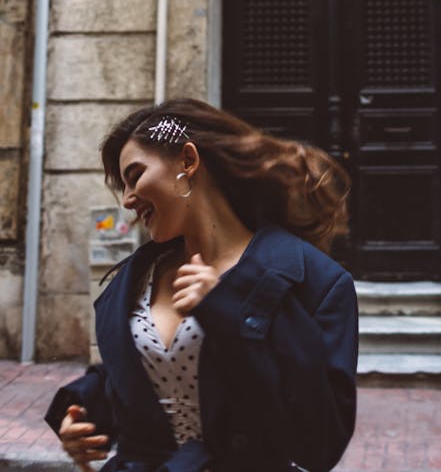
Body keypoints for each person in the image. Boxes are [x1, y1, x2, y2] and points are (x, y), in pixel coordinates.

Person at [45, 99, 358, 472]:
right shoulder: (135, 278)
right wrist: (83, 413)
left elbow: (319, 444)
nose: (128, 200)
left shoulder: (315, 282)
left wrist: (228, 309)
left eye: (135, 175)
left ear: (188, 162)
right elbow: (134, 373)